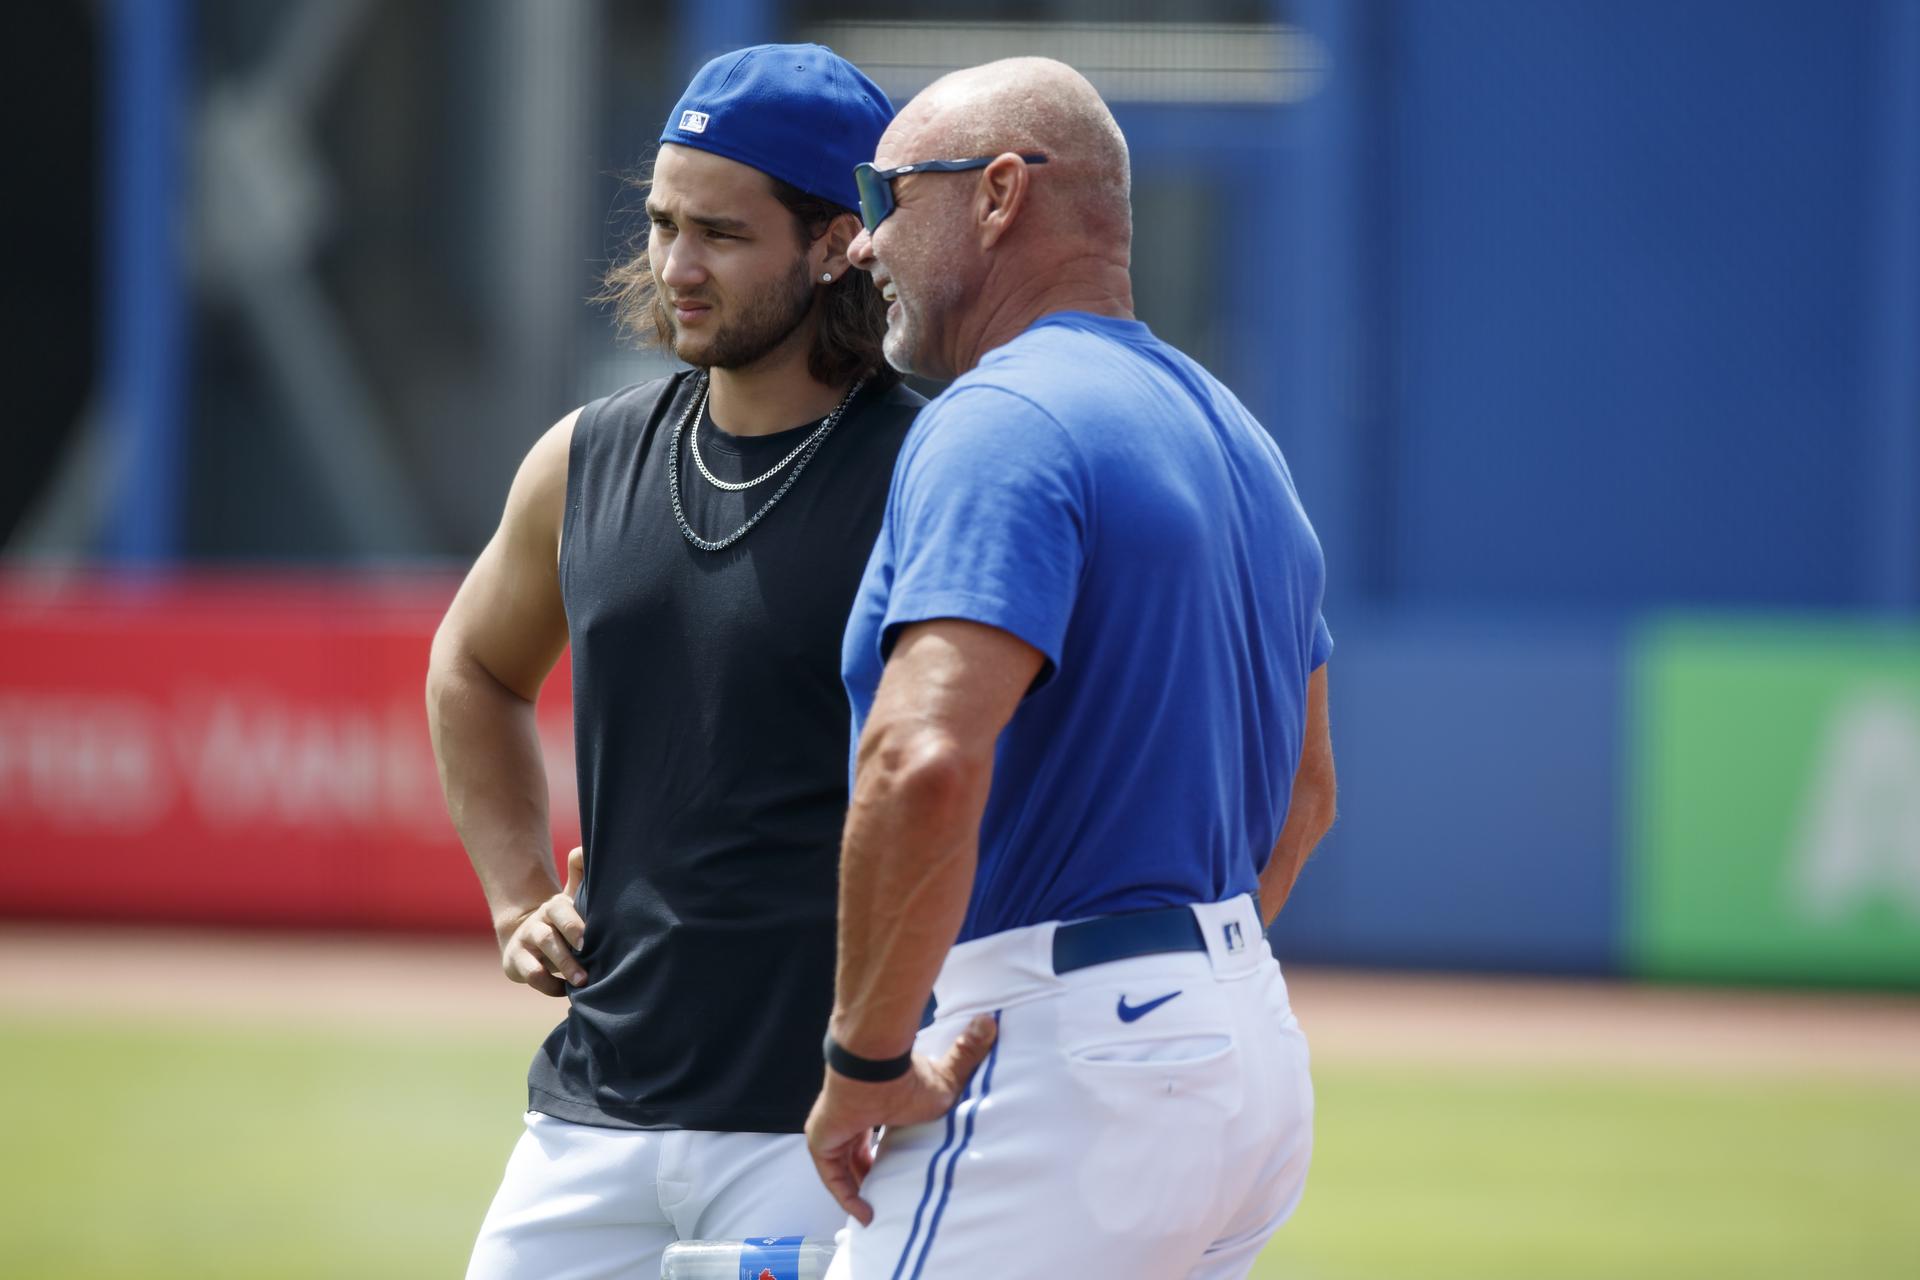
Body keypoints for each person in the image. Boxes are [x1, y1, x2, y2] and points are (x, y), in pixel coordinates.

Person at [803, 57, 1338, 1278]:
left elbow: (923, 755)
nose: (866, 246)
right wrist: (1189, 1001)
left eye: (891, 199)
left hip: (1058, 1047)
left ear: (998, 194)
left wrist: (864, 1058)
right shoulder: (1239, 436)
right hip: (1239, 1041)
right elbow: (1309, 797)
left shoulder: (1003, 417)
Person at [425, 44, 922, 1279]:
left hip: (820, 1133)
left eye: (720, 232)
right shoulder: (582, 460)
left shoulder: (939, 469)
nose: (675, 266)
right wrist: (512, 890)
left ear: (836, 240)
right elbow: (473, 670)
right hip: (590, 1116)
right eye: (659, 222)